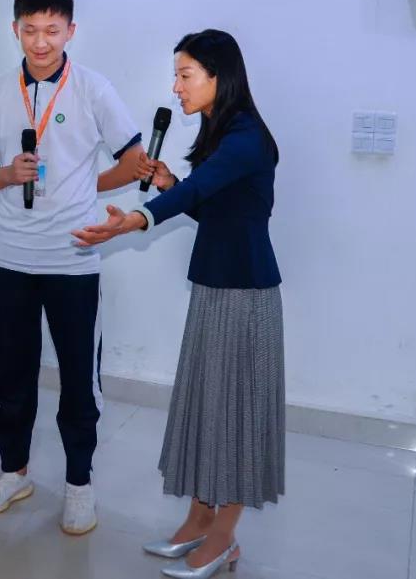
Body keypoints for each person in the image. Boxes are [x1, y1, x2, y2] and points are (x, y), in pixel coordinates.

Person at [73, 29, 283, 578]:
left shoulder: (246, 136)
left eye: (186, 75)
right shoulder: (223, 133)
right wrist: (169, 184)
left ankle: (224, 538)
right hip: (215, 286)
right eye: (177, 75)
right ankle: (197, 520)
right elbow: (212, 207)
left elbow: (200, 192)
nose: (176, 87)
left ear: (218, 76)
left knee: (236, 414)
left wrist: (139, 217)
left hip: (245, 294)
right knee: (207, 405)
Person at [0, 0, 143, 535]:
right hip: (9, 256)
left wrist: (86, 189)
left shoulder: (93, 89)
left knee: (76, 379)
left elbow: (133, 160)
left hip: (72, 259)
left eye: (52, 30)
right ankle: (13, 472)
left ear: (71, 31)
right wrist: (6, 174)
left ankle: (79, 484)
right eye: (30, 30)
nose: (41, 42)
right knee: (12, 374)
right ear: (14, 30)